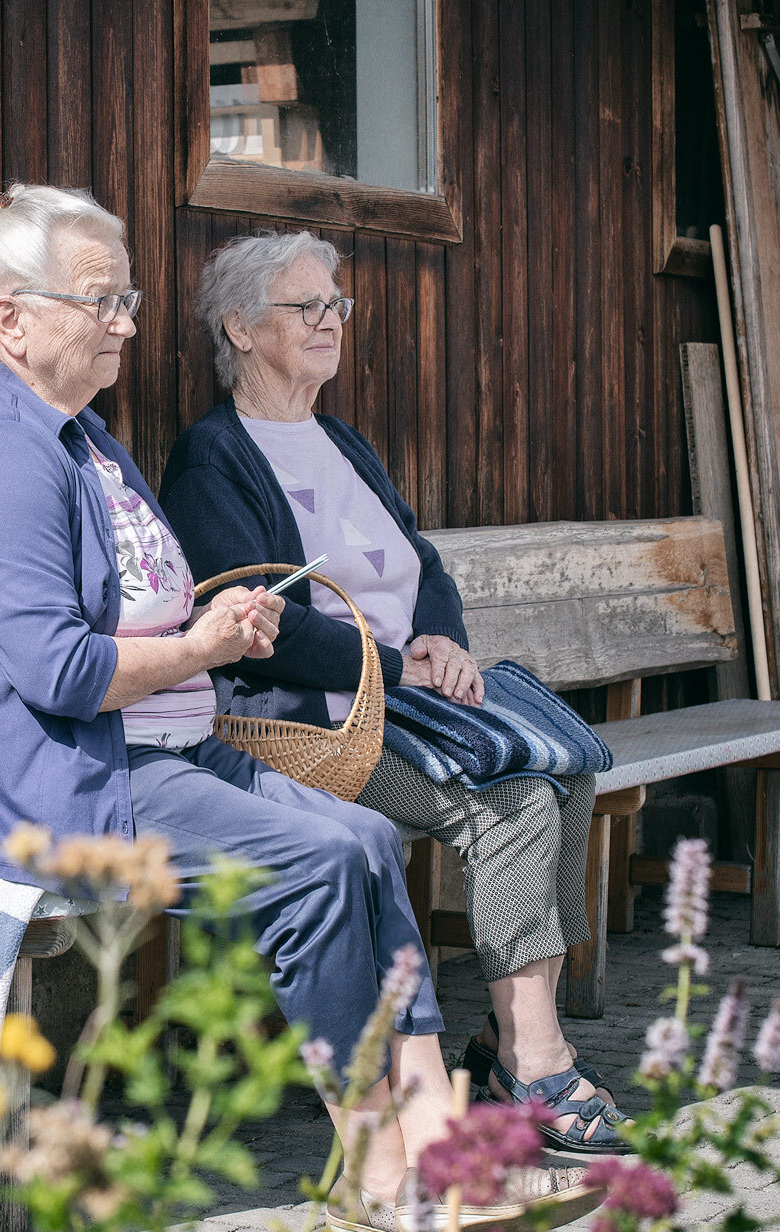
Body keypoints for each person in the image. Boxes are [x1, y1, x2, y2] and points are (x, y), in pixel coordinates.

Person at [0, 184, 602, 1232]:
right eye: (97, 301)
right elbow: (58, 671)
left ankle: (435, 1138)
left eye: (126, 298)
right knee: (314, 861)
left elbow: (141, 604)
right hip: (39, 784)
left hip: (145, 749)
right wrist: (203, 646)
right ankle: (384, 1168)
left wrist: (215, 622)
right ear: (9, 318)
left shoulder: (75, 432)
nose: (123, 321)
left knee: (356, 835)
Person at [160, 228, 630, 1154]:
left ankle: (506, 1043)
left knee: (563, 770)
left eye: (336, 304)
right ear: (241, 329)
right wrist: (379, 661)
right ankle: (536, 1064)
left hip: (400, 704)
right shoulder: (212, 458)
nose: (331, 321)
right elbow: (252, 628)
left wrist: (442, 640)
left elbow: (421, 560)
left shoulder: (340, 439)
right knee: (511, 804)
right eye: (307, 307)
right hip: (305, 727)